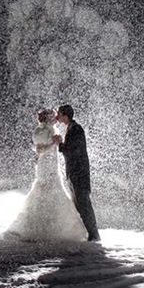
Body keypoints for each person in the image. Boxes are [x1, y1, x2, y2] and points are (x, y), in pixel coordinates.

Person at [6, 108, 87, 242]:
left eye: (56, 114)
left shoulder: (53, 128)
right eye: (52, 115)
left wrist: (58, 143)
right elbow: (39, 149)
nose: (55, 116)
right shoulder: (41, 129)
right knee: (44, 188)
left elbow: (56, 146)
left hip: (53, 165)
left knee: (55, 187)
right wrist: (54, 144)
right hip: (45, 165)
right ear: (46, 117)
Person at [53, 104, 100, 242]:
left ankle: (94, 236)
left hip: (79, 174)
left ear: (65, 115)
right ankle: (89, 234)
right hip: (74, 174)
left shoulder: (76, 129)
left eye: (59, 114)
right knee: (79, 205)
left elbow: (74, 151)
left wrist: (60, 144)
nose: (57, 117)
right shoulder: (71, 128)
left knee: (84, 205)